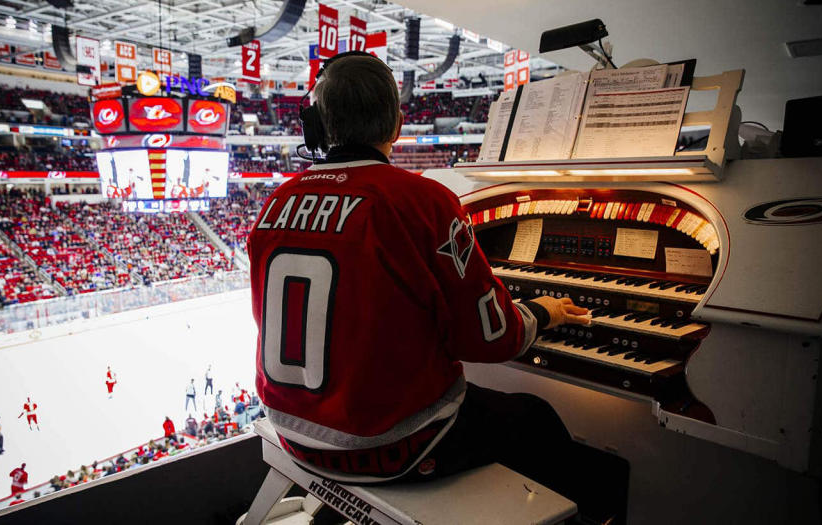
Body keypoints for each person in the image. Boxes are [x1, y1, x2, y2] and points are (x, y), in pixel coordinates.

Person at [247, 52, 626, 524]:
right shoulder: (422, 200)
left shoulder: (276, 202)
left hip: (293, 432)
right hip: (391, 447)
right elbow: (493, 339)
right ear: (398, 125)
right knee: (536, 417)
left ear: (318, 126)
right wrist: (542, 311)